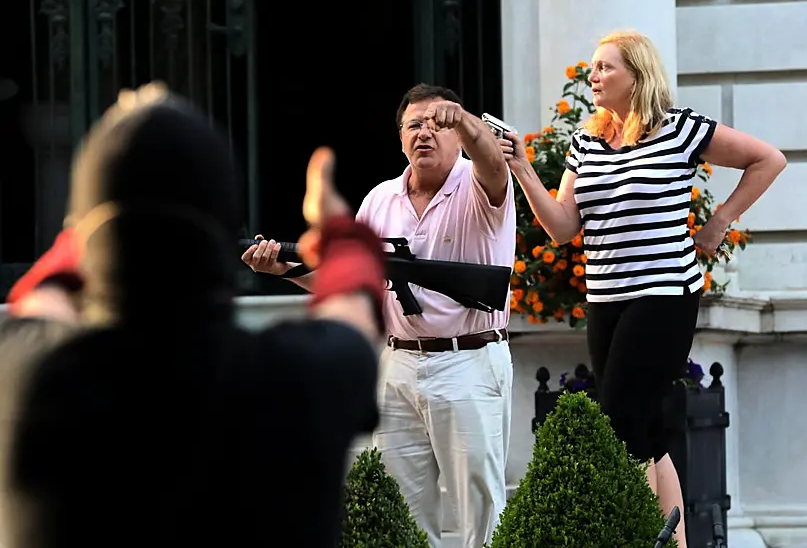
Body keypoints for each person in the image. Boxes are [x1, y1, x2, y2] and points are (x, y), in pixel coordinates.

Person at [1, 83, 387, 548]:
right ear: (225, 232)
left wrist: (102, 193)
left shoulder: (23, 371)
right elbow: (356, 302)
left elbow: (46, 289)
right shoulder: (292, 380)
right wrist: (340, 234)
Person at [500, 31, 786, 547]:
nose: (593, 75)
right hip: (605, 298)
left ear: (637, 74)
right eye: (592, 67)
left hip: (664, 294)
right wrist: (521, 166)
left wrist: (720, 220)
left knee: (620, 421)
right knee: (645, 431)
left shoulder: (680, 130)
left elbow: (768, 159)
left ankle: (632, 537)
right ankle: (674, 544)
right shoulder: (584, 142)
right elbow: (564, 227)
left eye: (606, 67)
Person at [242, 83, 516, 547]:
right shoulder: (379, 200)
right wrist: (284, 269)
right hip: (398, 365)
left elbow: (492, 161)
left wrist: (467, 121)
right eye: (414, 126)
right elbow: (350, 282)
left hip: (469, 360)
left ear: (457, 134)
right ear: (401, 139)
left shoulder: (478, 182)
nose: (425, 134)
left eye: (437, 124)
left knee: (480, 514)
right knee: (400, 514)